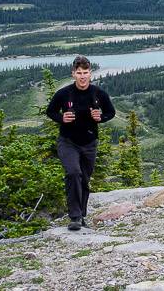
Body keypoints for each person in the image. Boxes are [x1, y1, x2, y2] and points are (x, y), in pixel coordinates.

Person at [46, 55, 116, 231]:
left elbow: (111, 112)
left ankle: (82, 216)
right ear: (73, 74)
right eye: (79, 73)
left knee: (84, 179)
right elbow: (50, 111)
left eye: (85, 72)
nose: (82, 76)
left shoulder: (98, 93)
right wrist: (62, 118)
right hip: (67, 141)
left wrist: (101, 118)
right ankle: (75, 217)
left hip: (89, 142)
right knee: (73, 173)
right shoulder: (64, 93)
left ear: (90, 73)